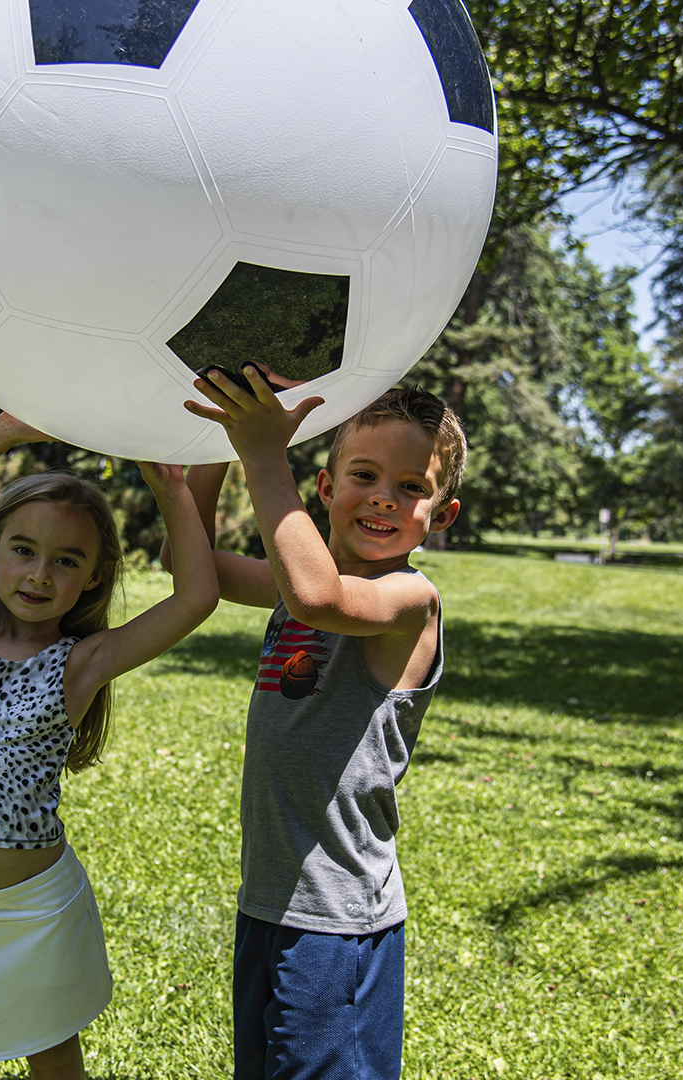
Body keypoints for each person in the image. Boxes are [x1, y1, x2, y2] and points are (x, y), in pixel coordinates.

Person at [0, 412, 218, 1080]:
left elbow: (197, 595)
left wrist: (172, 489)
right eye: (24, 549)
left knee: (53, 1055)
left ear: (93, 576)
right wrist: (4, 431)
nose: (39, 573)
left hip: (33, 911)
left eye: (66, 561)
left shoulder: (81, 663)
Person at [170, 372, 466, 1080]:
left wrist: (264, 457)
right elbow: (192, 569)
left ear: (442, 516)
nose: (385, 497)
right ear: (328, 491)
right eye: (363, 475)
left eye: (411, 487)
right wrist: (213, 448)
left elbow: (315, 597)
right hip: (272, 898)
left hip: (339, 918)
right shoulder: (302, 578)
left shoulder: (408, 599)